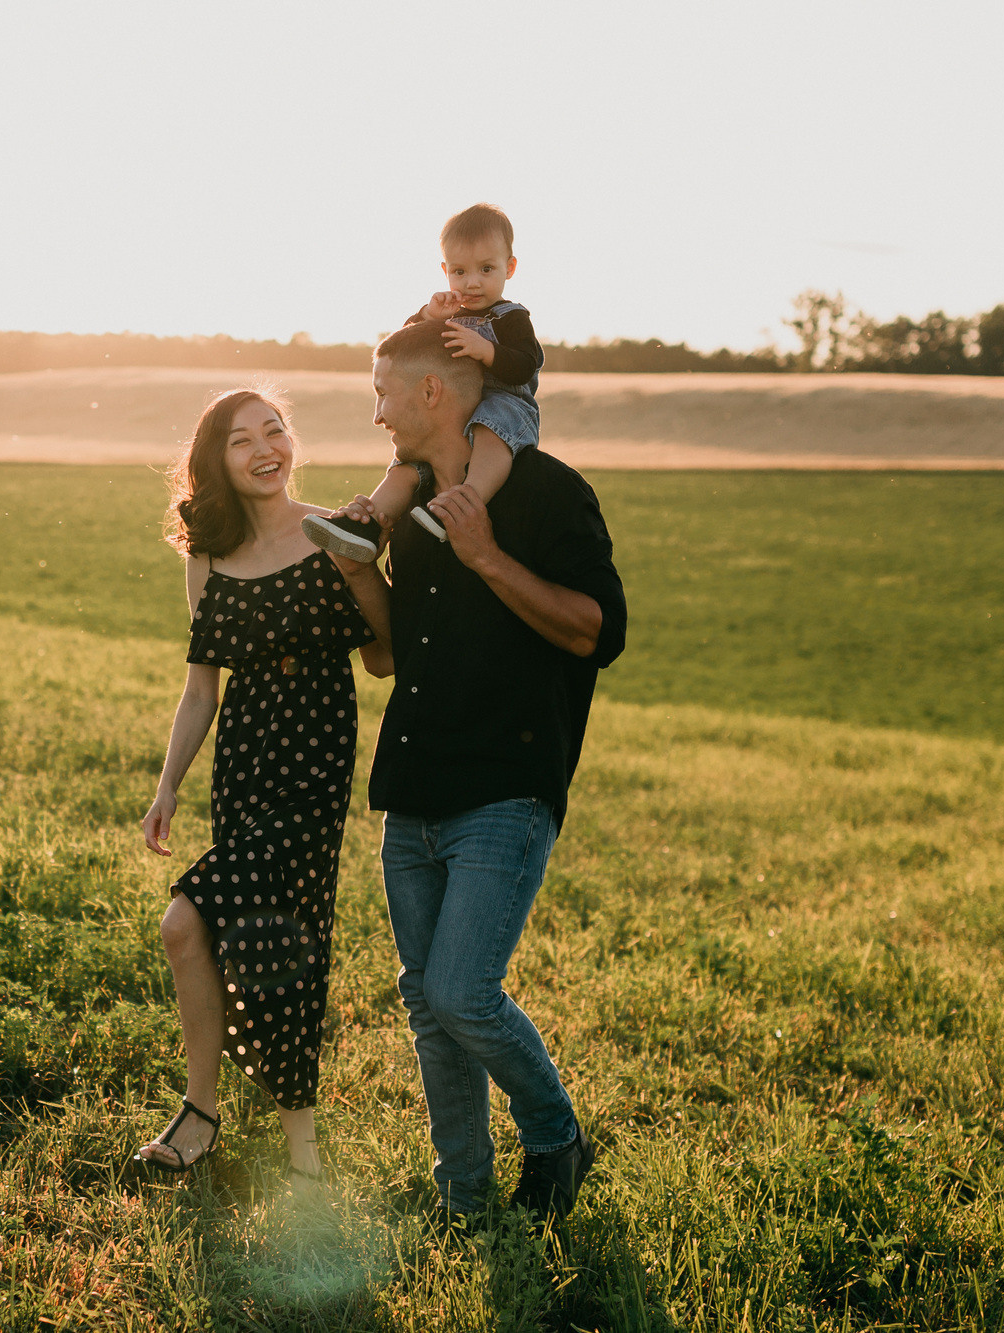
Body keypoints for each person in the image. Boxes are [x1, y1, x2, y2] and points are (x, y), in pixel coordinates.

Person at [336, 318, 626, 1225]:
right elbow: (388, 661)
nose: (377, 413)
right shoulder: (413, 514)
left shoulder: (547, 492)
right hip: (411, 792)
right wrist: (355, 569)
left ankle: (555, 1134)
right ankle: (463, 1194)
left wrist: (488, 556)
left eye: (385, 392)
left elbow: (594, 631)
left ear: (432, 392)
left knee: (463, 991)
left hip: (508, 786)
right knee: (429, 1007)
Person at [135, 386, 392, 1187]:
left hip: (314, 765)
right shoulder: (207, 554)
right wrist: (168, 784)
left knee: (206, 926)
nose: (264, 448)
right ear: (218, 461)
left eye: (274, 430)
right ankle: (234, 1123)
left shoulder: (332, 533)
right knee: (258, 938)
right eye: (242, 440)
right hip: (245, 767)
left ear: (292, 443)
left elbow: (384, 655)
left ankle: (254, 1134)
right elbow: (202, 689)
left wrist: (360, 568)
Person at [304, 202, 544, 561]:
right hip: (456, 411)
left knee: (490, 430)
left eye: (487, 269)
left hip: (506, 406)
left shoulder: (512, 318)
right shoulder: (449, 314)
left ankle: (461, 505)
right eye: (460, 271)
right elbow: (402, 354)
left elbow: (527, 364)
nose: (472, 281)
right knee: (408, 463)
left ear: (510, 268)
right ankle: (367, 525)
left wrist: (487, 351)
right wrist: (428, 316)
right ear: (445, 270)